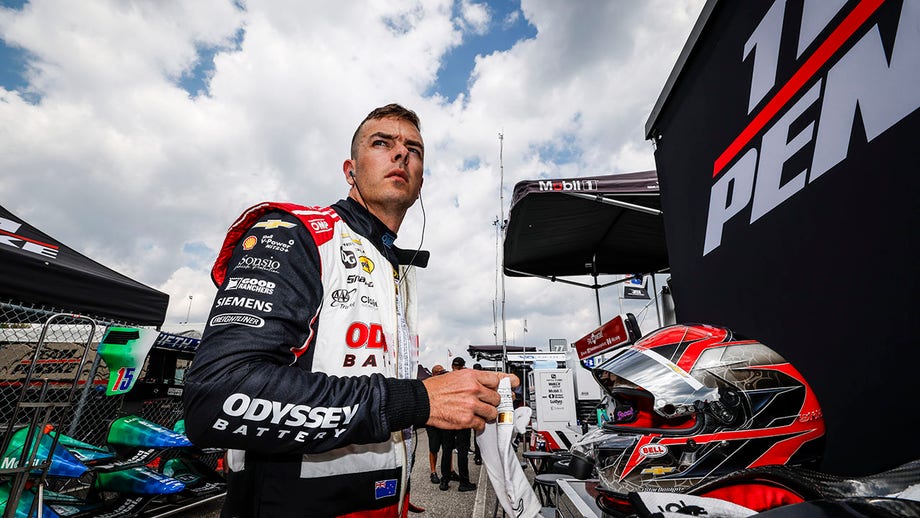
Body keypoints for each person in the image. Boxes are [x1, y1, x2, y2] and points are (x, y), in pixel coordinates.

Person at [183, 103, 517, 517]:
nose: (401, 154)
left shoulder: (393, 267)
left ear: (420, 183)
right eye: (382, 143)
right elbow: (216, 395)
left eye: (413, 149)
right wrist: (418, 399)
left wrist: (456, 391)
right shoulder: (296, 233)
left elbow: (358, 373)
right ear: (350, 170)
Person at [439, 357, 477, 492]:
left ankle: (444, 481)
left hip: (448, 419)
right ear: (463, 366)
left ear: (452, 366)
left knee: (447, 450)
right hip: (462, 418)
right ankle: (464, 482)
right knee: (462, 451)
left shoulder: (445, 379)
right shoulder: (466, 380)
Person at [426, 364, 447, 484]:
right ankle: (433, 472)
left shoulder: (445, 384)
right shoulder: (428, 385)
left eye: (443, 371)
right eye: (439, 372)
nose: (442, 374)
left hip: (445, 421)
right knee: (434, 448)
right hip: (433, 421)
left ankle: (450, 470)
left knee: (448, 447)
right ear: (434, 374)